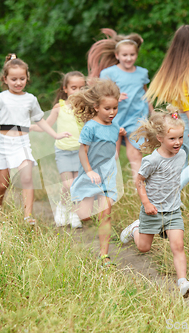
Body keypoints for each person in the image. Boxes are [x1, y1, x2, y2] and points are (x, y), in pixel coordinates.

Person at [0, 53, 71, 225]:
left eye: (22, 79)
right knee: (3, 183)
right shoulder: (1, 98)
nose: (18, 82)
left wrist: (55, 135)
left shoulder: (31, 99)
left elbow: (40, 121)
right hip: (5, 144)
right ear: (5, 79)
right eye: (14, 79)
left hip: (23, 143)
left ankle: (28, 216)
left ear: (27, 78)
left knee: (27, 178)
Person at [120, 109, 189, 297]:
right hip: (152, 211)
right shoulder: (152, 160)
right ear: (160, 138)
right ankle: (135, 229)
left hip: (173, 211)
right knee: (144, 248)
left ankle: (182, 283)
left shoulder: (181, 155)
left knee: (178, 246)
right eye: (172, 139)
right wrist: (146, 203)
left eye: (180, 137)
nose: (178, 142)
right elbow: (139, 181)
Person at [145, 25, 189, 189]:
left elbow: (172, 95)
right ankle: (172, 188)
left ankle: (173, 200)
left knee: (182, 157)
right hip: (183, 117)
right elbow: (186, 94)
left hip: (174, 115)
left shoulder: (173, 65)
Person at [69, 79, 125, 265]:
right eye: (107, 109)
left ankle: (104, 255)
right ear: (96, 107)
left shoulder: (115, 126)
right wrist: (90, 172)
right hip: (90, 173)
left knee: (105, 214)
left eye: (115, 108)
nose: (112, 113)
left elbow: (113, 141)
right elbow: (82, 151)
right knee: (84, 214)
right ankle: (74, 208)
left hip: (108, 175)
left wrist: (116, 150)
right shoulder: (90, 127)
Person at [88, 28, 151, 183]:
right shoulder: (109, 73)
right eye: (125, 55)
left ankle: (140, 189)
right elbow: (100, 95)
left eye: (132, 55)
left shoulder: (142, 73)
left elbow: (146, 94)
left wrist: (153, 112)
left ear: (136, 55)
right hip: (113, 119)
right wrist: (115, 96)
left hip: (136, 119)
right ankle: (105, 186)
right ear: (117, 56)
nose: (128, 58)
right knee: (112, 155)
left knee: (136, 155)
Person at [30, 71, 86, 228]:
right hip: (64, 152)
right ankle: (62, 208)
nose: (78, 91)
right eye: (74, 87)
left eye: (82, 88)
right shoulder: (59, 107)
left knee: (74, 185)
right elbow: (46, 125)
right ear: (66, 89)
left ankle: (73, 212)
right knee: (68, 184)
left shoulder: (86, 108)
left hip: (81, 152)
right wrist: (31, 127)